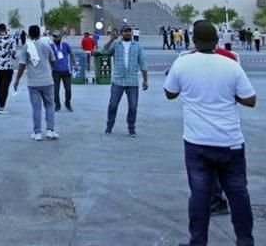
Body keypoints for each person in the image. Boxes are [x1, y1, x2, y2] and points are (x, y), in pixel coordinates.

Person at [164, 20, 257, 246]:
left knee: (199, 195)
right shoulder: (231, 65)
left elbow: (170, 93)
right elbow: (250, 100)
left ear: (193, 41)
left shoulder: (183, 63)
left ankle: (198, 242)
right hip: (230, 141)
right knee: (238, 194)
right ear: (217, 41)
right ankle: (245, 241)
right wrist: (228, 95)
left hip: (197, 141)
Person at [13, 25, 57, 140]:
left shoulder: (26, 47)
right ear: (39, 34)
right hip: (47, 81)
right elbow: (53, 60)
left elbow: (22, 65)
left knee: (36, 107)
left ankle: (37, 132)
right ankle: (50, 130)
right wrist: (49, 69)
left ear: (29, 34)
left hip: (33, 82)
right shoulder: (46, 45)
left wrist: (17, 79)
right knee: (50, 105)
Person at [103, 25, 148, 136]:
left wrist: (145, 80)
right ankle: (109, 126)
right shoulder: (116, 45)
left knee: (133, 106)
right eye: (125, 31)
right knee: (113, 104)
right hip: (118, 80)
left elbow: (143, 63)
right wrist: (112, 39)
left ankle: (131, 128)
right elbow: (104, 50)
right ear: (121, 33)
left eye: (129, 31)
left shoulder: (137, 46)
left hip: (132, 81)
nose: (128, 33)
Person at [0, 23, 17, 114]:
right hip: (7, 66)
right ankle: (2, 107)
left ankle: (0, 105)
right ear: (5, 29)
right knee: (5, 87)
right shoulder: (11, 39)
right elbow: (14, 53)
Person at [50, 31, 77, 112]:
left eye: (57, 37)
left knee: (68, 89)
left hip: (66, 70)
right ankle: (57, 104)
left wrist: (75, 64)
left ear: (60, 37)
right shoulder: (50, 46)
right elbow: (47, 57)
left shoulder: (65, 45)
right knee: (56, 89)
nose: (55, 38)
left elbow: (72, 54)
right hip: (55, 71)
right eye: (54, 37)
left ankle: (67, 103)